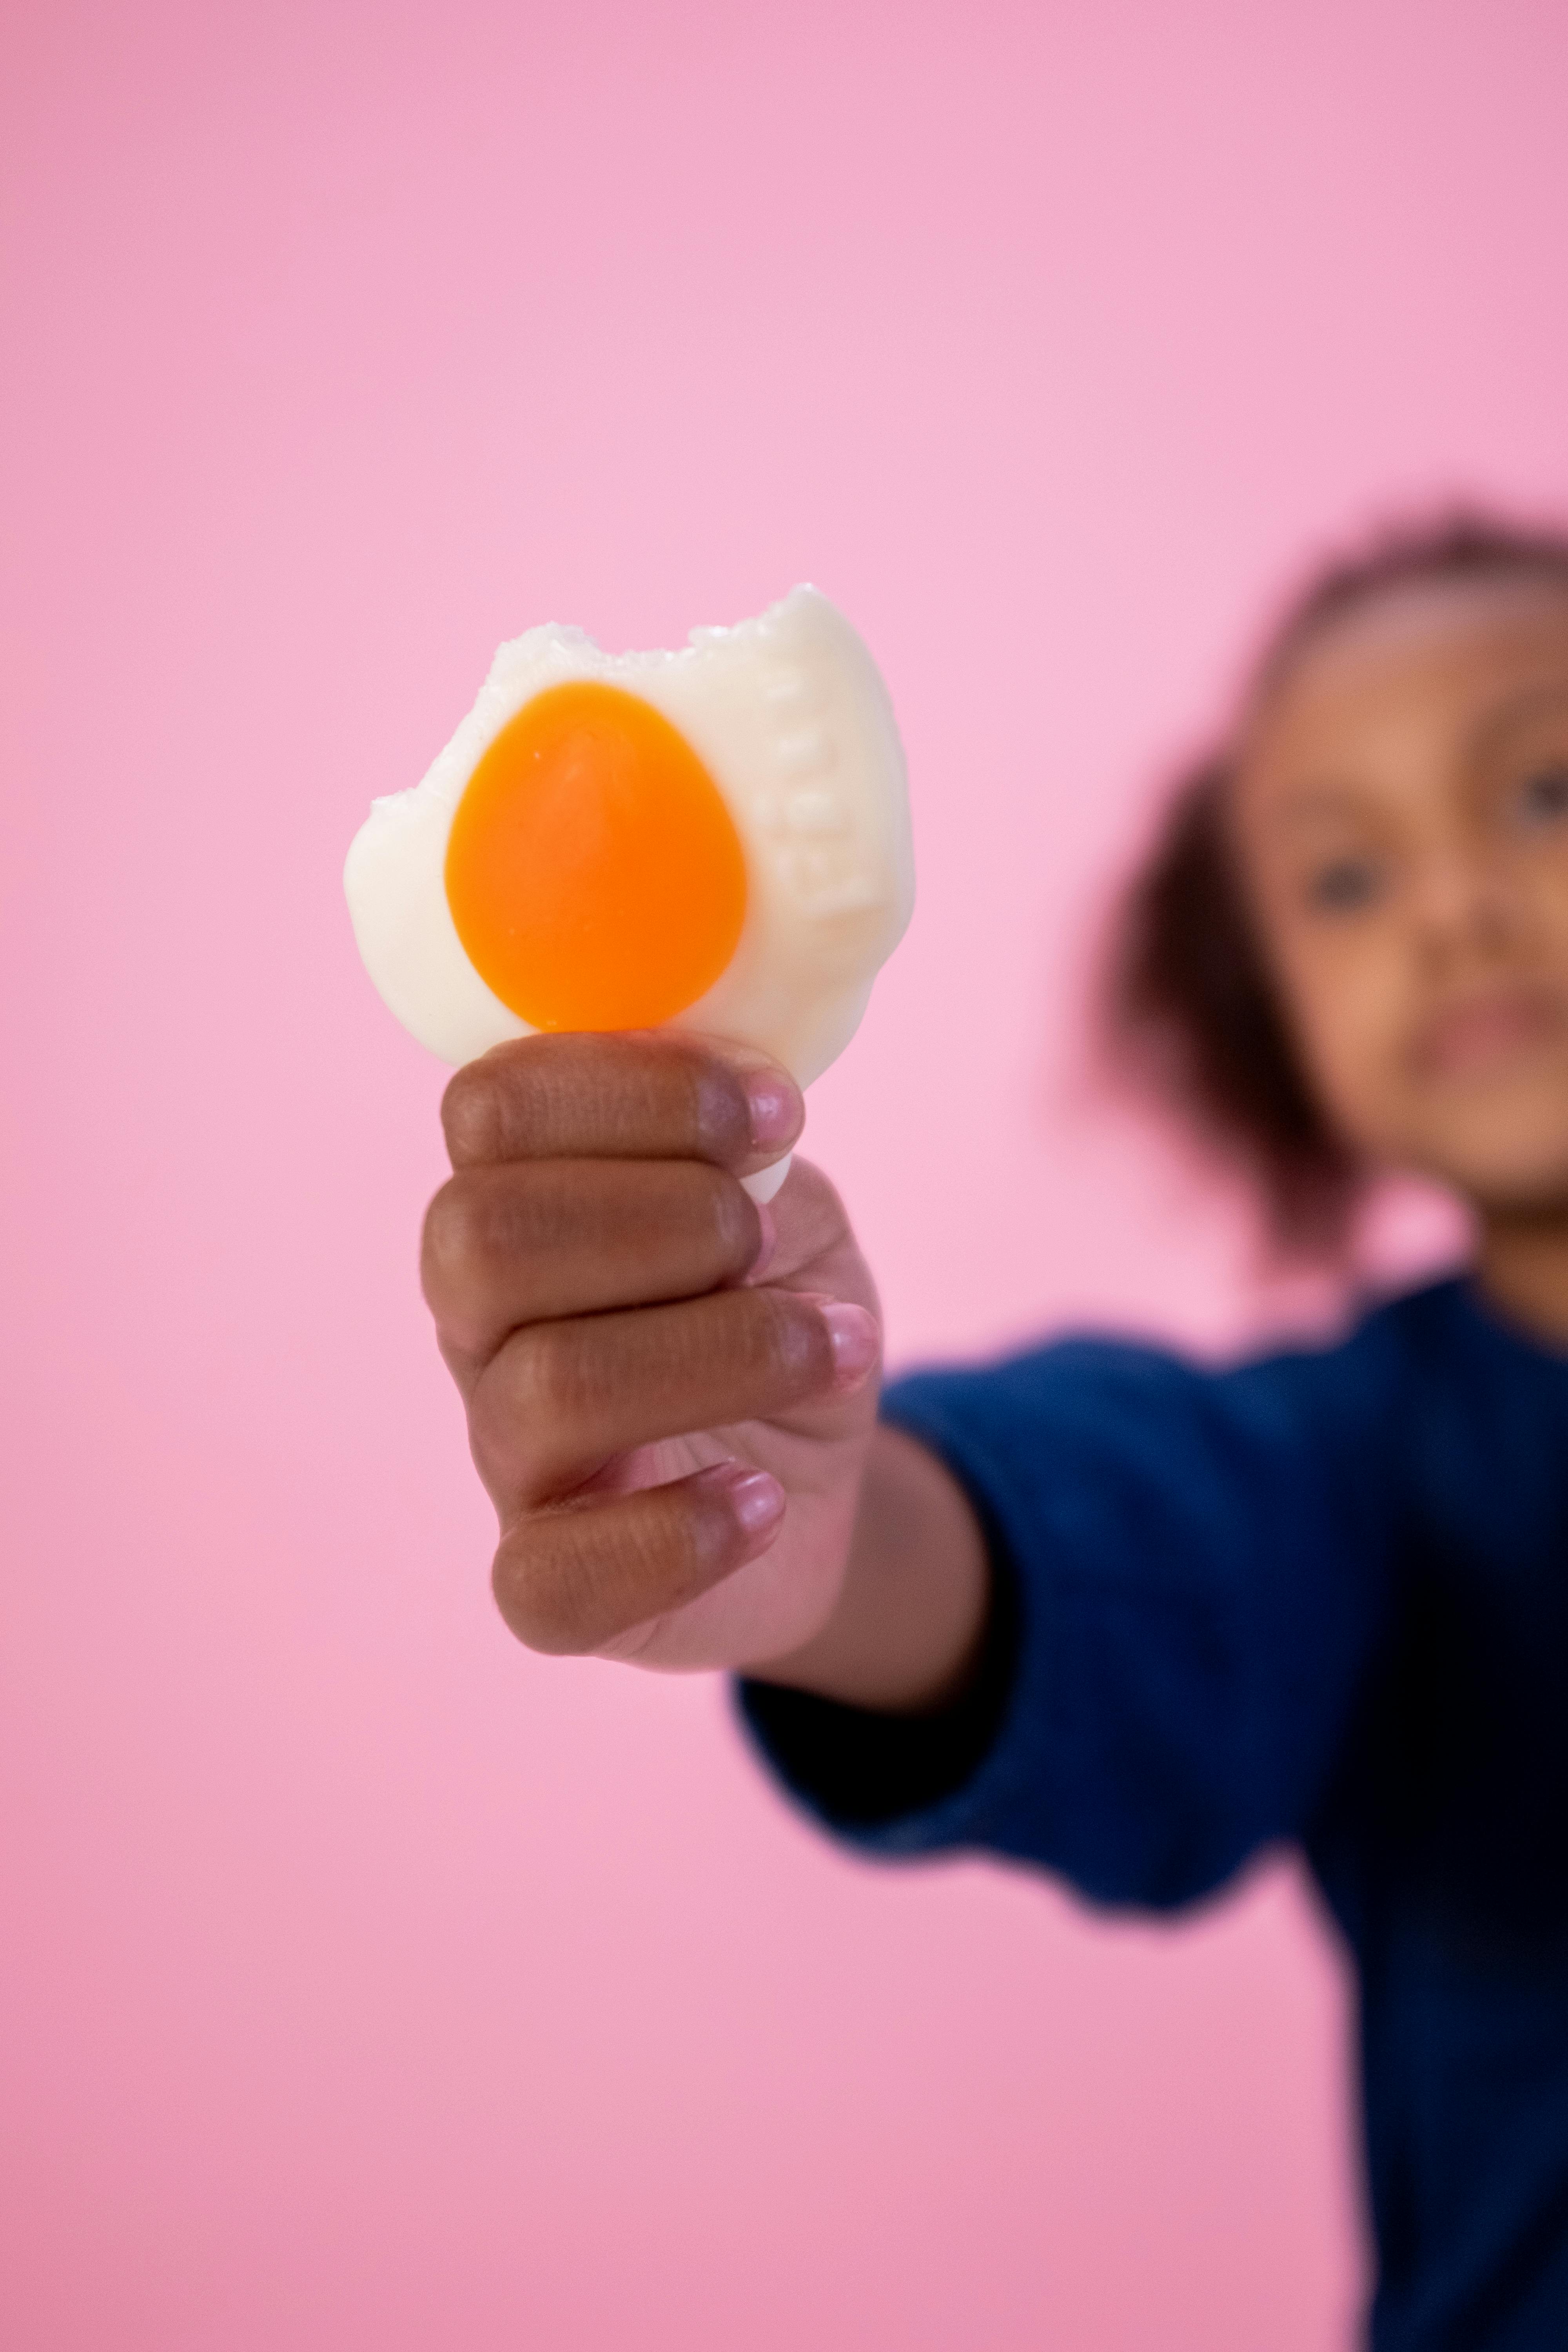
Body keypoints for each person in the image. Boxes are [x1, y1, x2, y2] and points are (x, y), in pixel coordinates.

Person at [419, 514, 1568, 2352]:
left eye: (1541, 792)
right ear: (1265, 1004)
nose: (1454, 909)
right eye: (1345, 884)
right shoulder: (1359, 1464)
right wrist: (827, 1522)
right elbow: (1147, 1543)